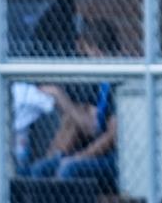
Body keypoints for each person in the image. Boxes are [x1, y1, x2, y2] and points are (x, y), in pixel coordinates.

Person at [26, 19, 121, 191]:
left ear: (96, 51)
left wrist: (80, 157)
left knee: (69, 168)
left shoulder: (119, 80)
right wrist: (55, 155)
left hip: (118, 159)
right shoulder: (95, 81)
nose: (85, 58)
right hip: (92, 151)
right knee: (41, 168)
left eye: (87, 52)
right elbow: (81, 122)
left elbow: (110, 135)